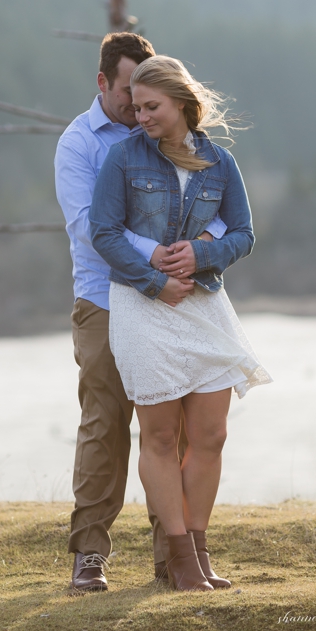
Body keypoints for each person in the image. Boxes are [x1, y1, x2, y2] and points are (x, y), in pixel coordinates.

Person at [54, 33, 229, 592]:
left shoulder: (165, 134)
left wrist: (196, 249)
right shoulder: (79, 143)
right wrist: (153, 256)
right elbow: (88, 226)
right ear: (103, 83)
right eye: (130, 93)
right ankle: (89, 554)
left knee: (171, 430)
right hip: (105, 299)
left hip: (175, 297)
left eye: (148, 96)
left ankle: (173, 558)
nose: (138, 106)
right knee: (106, 425)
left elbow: (214, 201)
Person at [89, 54, 268, 591]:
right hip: (144, 309)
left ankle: (199, 545)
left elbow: (243, 234)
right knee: (161, 437)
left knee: (211, 434)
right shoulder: (122, 159)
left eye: (152, 106)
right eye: (136, 106)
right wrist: (154, 280)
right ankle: (181, 560)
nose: (140, 116)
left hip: (205, 306)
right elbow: (104, 233)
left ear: (184, 104)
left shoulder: (221, 164)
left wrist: (200, 255)